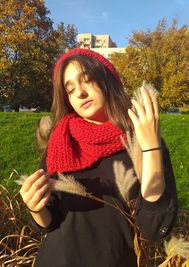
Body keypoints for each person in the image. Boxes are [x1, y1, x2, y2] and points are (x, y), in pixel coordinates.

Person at [19, 48, 178, 267]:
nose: (79, 93)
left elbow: (153, 228)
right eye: (70, 89)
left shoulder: (142, 140)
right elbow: (50, 222)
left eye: (87, 79)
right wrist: (35, 207)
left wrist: (151, 147)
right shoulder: (60, 142)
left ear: (107, 80)